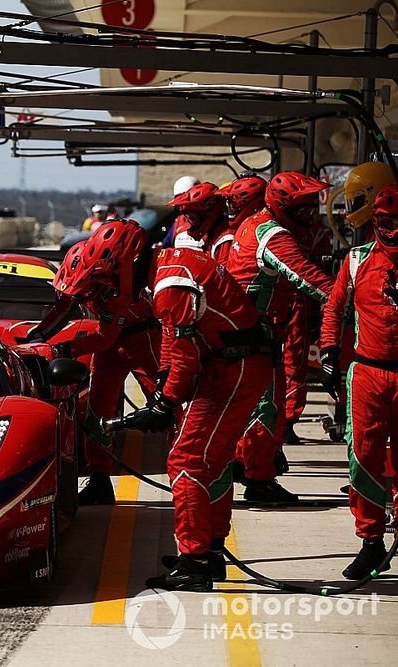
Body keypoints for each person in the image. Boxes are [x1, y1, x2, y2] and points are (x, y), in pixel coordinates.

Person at [126, 219, 274, 591]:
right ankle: (210, 550)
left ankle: (194, 562)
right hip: (236, 363)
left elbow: (186, 359)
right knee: (215, 460)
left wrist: (164, 403)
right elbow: (173, 345)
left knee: (186, 461)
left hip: (234, 367)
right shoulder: (171, 265)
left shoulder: (169, 287)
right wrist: (162, 383)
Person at [28, 223, 160, 505]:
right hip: (112, 342)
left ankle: (198, 469)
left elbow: (105, 339)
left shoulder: (124, 285)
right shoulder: (80, 260)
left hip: (142, 340)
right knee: (96, 414)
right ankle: (99, 480)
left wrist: (65, 348)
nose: (87, 291)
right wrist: (40, 332)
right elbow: (64, 302)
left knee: (166, 407)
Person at [225, 171, 335, 504]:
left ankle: (246, 465)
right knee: (266, 408)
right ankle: (259, 481)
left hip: (244, 332)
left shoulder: (254, 223)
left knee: (251, 407)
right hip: (253, 334)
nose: (308, 215)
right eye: (301, 209)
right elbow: (309, 278)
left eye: (310, 208)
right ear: (282, 205)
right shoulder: (273, 236)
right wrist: (353, 302)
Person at [320, 182, 398, 579]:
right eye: (387, 222)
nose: (394, 229)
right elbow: (333, 309)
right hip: (367, 372)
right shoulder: (356, 260)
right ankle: (370, 541)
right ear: (375, 222)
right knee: (363, 457)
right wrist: (330, 353)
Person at [212, 174, 267, 265]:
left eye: (234, 204)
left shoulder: (263, 231)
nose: (230, 208)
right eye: (228, 202)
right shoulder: (234, 231)